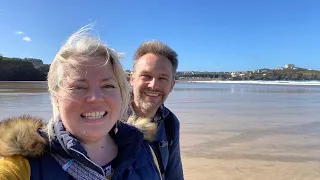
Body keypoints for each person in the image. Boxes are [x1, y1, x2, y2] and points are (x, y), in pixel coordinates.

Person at [0, 26, 162, 180]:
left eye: (108, 86)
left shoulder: (142, 148)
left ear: (122, 94)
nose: (96, 97)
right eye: (79, 87)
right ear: (56, 96)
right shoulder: (23, 165)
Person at [128, 40, 184, 180]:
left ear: (172, 85)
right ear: (132, 79)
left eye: (162, 78)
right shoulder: (109, 116)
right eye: (146, 76)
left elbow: (174, 174)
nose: (153, 85)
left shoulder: (170, 122)